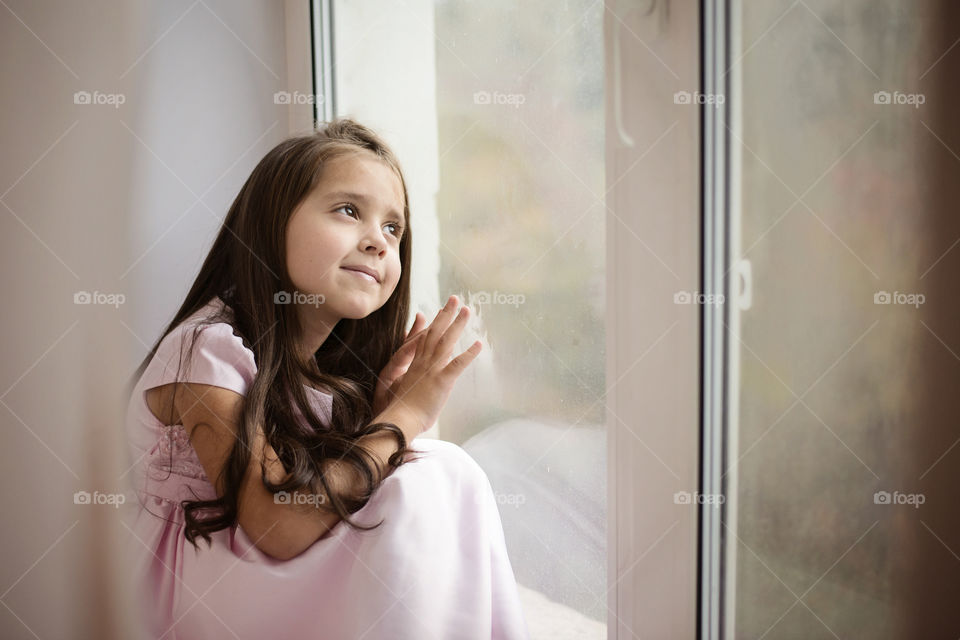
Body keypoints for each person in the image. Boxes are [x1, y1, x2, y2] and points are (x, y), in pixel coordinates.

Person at [122, 118, 530, 639]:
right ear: (272, 225)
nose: (379, 242)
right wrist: (403, 417)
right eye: (349, 211)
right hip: (189, 598)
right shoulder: (205, 350)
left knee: (439, 470)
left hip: (244, 583)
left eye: (394, 228)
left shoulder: (323, 375)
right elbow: (277, 524)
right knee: (435, 470)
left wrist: (379, 416)